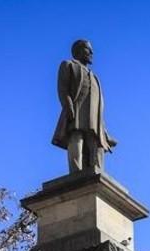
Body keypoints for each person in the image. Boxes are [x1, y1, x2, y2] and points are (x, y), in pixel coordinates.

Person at [52, 39, 118, 174]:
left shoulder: (95, 77)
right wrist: (68, 106)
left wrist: (103, 130)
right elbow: (62, 89)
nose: (92, 53)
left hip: (94, 119)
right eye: (89, 49)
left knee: (96, 143)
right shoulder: (68, 64)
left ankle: (97, 172)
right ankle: (76, 173)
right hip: (76, 110)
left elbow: (99, 106)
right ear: (79, 50)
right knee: (76, 138)